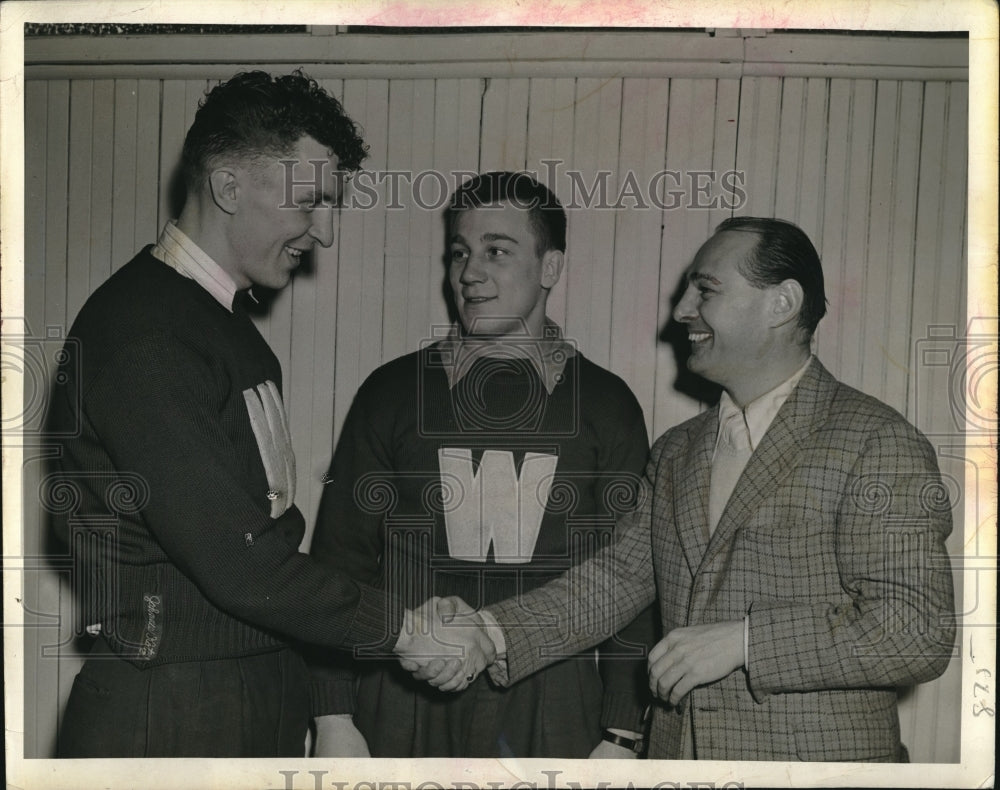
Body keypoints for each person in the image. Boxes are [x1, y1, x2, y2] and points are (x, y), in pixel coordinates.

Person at [45, 69, 492, 759]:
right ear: (229, 187)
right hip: (168, 711)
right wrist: (405, 630)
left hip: (244, 690)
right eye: (310, 202)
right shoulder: (143, 334)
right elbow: (242, 564)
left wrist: (332, 696)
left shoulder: (226, 330)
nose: (326, 232)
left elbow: (270, 548)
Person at [426, 216, 956, 761]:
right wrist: (490, 630)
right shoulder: (679, 449)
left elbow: (917, 631)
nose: (681, 310)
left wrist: (746, 642)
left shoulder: (878, 442)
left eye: (705, 289)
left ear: (782, 303)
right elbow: (615, 580)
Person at [309, 171, 658, 758]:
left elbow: (631, 581)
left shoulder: (606, 404)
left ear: (550, 268)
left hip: (553, 702)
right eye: (460, 253)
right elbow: (339, 564)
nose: (470, 273)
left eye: (497, 251)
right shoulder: (392, 392)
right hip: (400, 701)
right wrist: (332, 715)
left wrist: (622, 731)